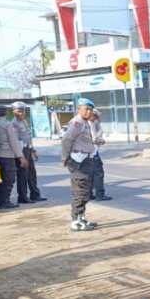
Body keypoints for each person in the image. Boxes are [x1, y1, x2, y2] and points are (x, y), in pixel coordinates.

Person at [61, 98, 98, 231]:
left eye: (90, 109)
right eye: (86, 109)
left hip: (85, 159)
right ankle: (75, 221)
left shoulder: (84, 122)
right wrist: (65, 157)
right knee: (80, 191)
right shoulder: (77, 122)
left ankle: (81, 218)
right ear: (79, 109)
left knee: (85, 191)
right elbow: (66, 140)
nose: (89, 112)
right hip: (78, 161)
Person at [0, 105, 27, 209]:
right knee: (9, 179)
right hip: (7, 155)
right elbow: (13, 142)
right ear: (6, 113)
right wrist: (20, 156)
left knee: (0, 179)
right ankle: (5, 201)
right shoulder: (7, 125)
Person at [11, 101, 47, 203]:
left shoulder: (24, 122)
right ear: (14, 112)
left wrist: (33, 150)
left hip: (28, 149)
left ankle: (34, 194)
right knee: (23, 175)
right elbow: (16, 142)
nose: (22, 113)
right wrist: (21, 157)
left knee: (32, 173)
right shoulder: (13, 124)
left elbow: (28, 138)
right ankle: (22, 197)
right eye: (19, 111)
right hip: (21, 151)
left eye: (23, 111)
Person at [88, 109, 111, 201]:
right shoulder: (90, 124)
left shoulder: (90, 124)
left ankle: (89, 194)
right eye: (96, 116)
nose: (98, 118)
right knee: (98, 173)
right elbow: (93, 139)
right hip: (92, 152)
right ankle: (100, 195)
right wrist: (102, 141)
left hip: (89, 153)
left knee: (90, 174)